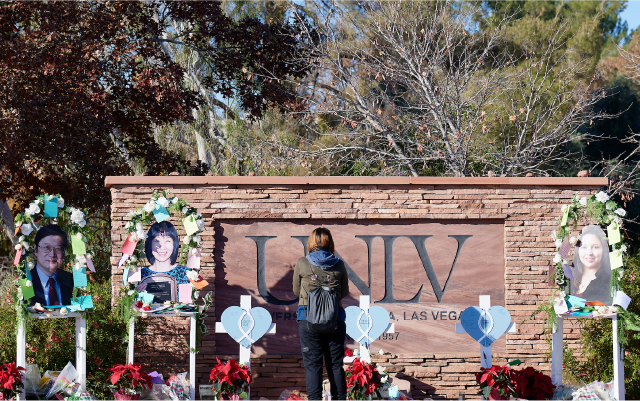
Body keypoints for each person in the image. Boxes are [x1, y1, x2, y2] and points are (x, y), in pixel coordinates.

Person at [293, 227, 349, 401]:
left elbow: (296, 291)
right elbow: (344, 292)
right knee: (335, 365)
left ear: (311, 243)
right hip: (335, 320)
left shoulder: (302, 262)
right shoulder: (339, 264)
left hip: (308, 320)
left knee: (313, 365)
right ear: (330, 243)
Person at [137, 221, 189, 302]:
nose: (162, 247)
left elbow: (186, 307)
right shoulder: (141, 275)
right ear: (149, 244)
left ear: (174, 244)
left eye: (168, 241)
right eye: (157, 241)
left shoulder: (184, 273)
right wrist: (136, 296)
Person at [31, 225, 74, 306]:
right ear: (36, 250)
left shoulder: (72, 281)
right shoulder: (25, 281)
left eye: (58, 248)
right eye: (46, 247)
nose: (52, 254)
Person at [570, 225, 612, 304]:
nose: (589, 253)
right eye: (584, 247)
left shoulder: (610, 280)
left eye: (595, 247)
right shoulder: (571, 278)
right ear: (578, 250)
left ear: (604, 250)